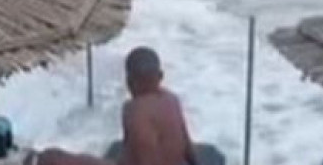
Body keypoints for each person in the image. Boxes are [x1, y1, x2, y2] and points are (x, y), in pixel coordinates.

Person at [25, 47, 198, 165]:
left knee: (53, 157)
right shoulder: (172, 100)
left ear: (129, 81)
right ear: (160, 76)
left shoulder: (133, 109)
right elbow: (189, 151)